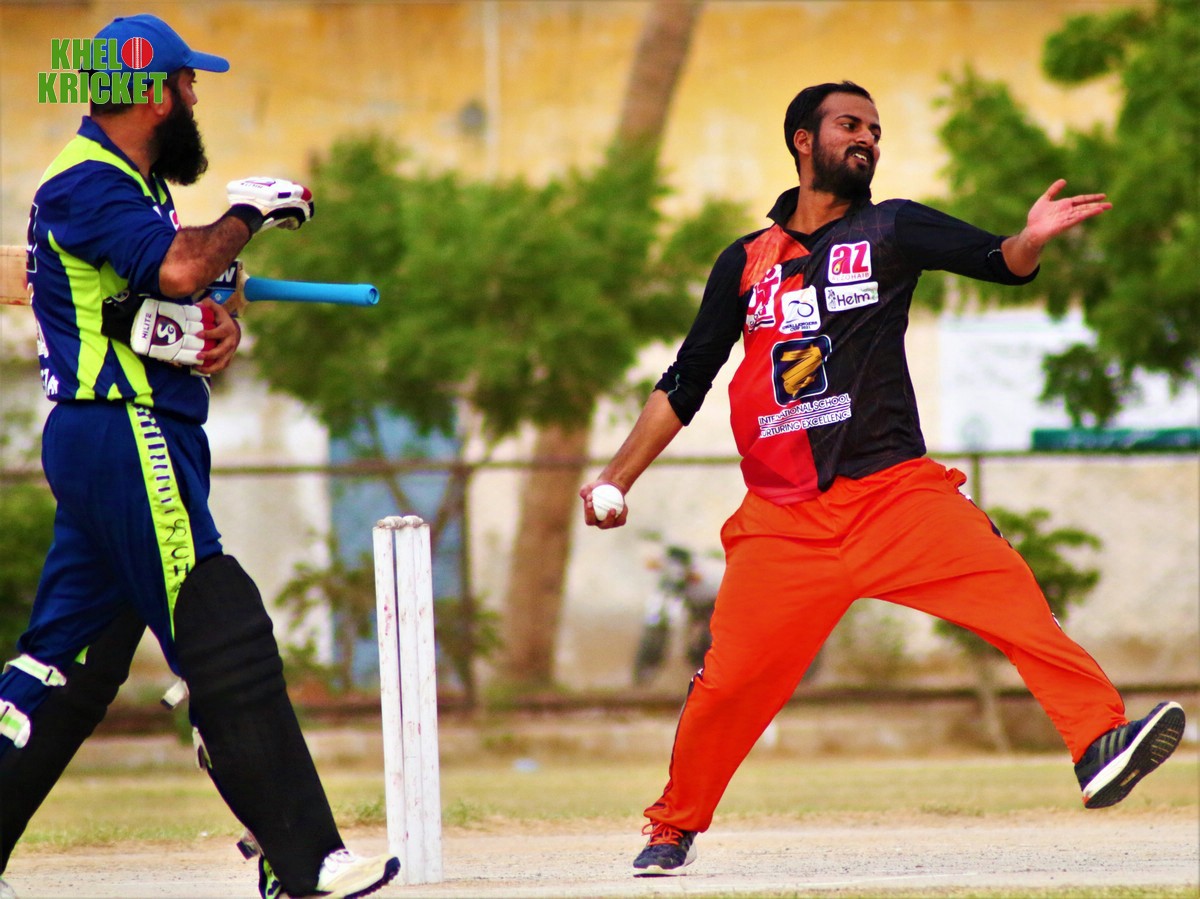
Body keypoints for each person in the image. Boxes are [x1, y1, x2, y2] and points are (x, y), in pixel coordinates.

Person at [580, 80, 1186, 876]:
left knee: (1014, 598)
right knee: (728, 686)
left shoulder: (892, 227)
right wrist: (616, 476)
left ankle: (1097, 742)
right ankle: (673, 824)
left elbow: (999, 260)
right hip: (784, 520)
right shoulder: (745, 261)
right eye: (849, 124)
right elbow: (685, 380)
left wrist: (1030, 239)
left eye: (874, 127)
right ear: (804, 140)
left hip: (896, 497)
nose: (866, 137)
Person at [0, 14, 399, 899]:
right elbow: (179, 269)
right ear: (152, 92)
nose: (193, 97)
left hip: (121, 432)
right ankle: (306, 859)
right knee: (219, 624)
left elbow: (154, 300)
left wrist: (212, 334)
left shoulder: (135, 188)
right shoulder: (88, 181)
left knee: (63, 668)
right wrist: (249, 211)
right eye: (186, 83)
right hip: (125, 432)